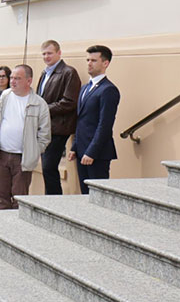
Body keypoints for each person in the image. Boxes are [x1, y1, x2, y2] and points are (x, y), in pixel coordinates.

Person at [0, 64, 51, 209]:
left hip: (23, 158)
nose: (13, 81)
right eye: (12, 78)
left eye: (18, 78)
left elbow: (45, 135)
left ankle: (16, 230)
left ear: (29, 81)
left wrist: (34, 151)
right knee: (1, 198)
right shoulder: (0, 97)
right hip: (0, 155)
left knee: (19, 200)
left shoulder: (39, 104)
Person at [68, 45, 120, 194]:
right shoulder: (85, 88)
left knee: (98, 195)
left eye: (94, 60)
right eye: (88, 60)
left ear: (105, 63)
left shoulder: (108, 90)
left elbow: (105, 124)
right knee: (85, 194)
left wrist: (92, 152)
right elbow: (81, 120)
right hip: (82, 150)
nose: (89, 63)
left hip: (97, 153)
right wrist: (75, 147)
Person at [37, 40, 81, 195]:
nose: (46, 57)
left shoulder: (69, 72)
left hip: (59, 128)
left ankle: (54, 202)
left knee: (49, 167)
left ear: (59, 53)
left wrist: (42, 110)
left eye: (49, 53)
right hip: (45, 127)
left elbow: (69, 102)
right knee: (46, 168)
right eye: (44, 54)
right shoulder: (44, 73)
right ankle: (50, 200)